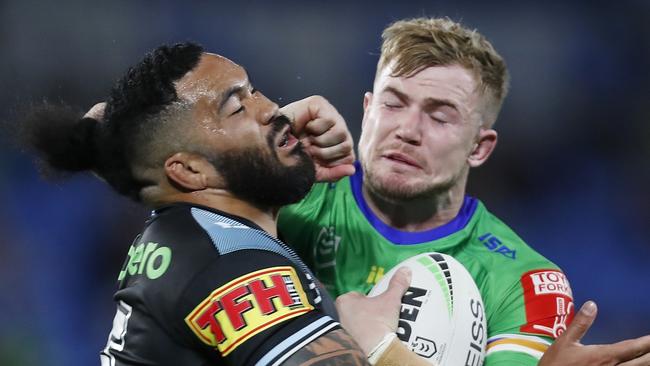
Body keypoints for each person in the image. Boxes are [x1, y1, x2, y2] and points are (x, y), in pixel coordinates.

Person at [17, 42, 422, 366]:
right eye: (236, 107)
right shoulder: (233, 263)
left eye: (255, 91)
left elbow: (126, 131)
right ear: (190, 173)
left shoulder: (186, 234)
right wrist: (377, 344)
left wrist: (263, 161)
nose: (273, 110)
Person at [278, 17, 650, 365]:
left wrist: (381, 349)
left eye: (439, 116)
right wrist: (261, 148)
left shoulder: (523, 281)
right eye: (393, 103)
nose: (407, 130)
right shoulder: (288, 198)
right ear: (367, 109)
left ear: (479, 147)